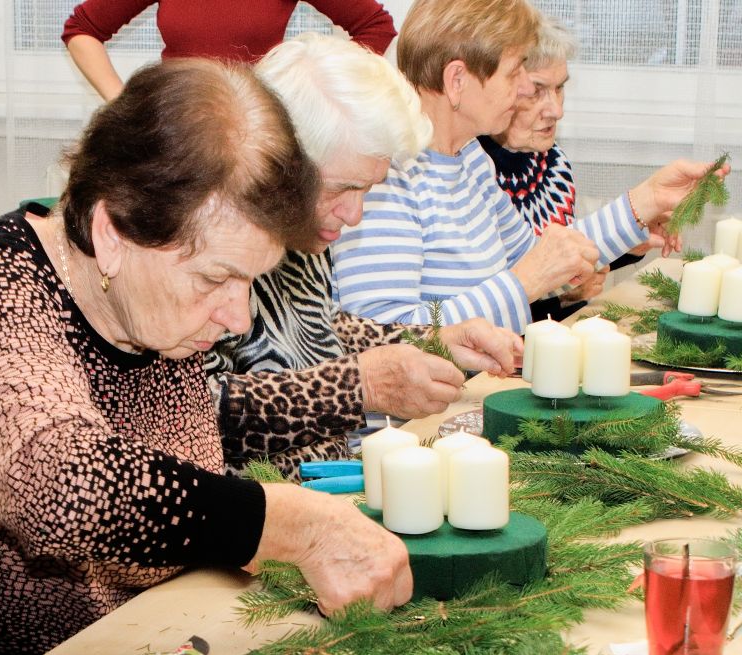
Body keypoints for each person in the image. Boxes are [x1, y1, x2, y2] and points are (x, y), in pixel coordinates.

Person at [0, 59, 412, 655]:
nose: (239, 317)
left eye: (251, 281)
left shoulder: (158, 303)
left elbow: (187, 472)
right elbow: (64, 488)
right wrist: (292, 524)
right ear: (112, 233)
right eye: (217, 278)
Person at [205, 35, 523, 476]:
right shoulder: (208, 243)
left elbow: (321, 328)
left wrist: (430, 339)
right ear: (281, 160)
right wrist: (358, 387)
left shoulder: (301, 230)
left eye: (367, 189)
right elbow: (199, 408)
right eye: (342, 189)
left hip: (326, 486)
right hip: (260, 504)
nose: (354, 215)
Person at [332, 0, 730, 335]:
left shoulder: (469, 158)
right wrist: (524, 283)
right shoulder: (386, 175)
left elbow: (536, 257)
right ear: (457, 81)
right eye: (514, 72)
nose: (524, 89)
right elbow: (388, 337)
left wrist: (646, 200)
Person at [477, 14, 653, 321]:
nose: (557, 110)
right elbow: (486, 309)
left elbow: (564, 261)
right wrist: (561, 300)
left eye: (559, 88)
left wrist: (630, 244)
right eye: (537, 90)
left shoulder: (553, 160)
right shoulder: (473, 169)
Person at [62, 0, 397, 101]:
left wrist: (314, 94)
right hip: (175, 135)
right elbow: (82, 30)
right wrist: (124, 104)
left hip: (255, 139)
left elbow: (375, 26)